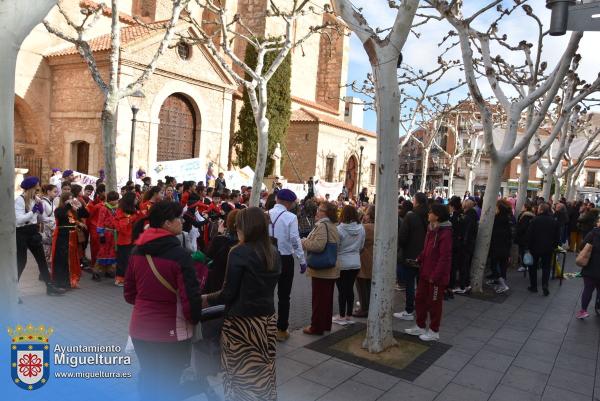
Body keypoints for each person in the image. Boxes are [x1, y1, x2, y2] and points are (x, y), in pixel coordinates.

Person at [124, 200, 203, 401]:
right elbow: (190, 300)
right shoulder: (180, 256)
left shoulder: (137, 251)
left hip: (140, 329)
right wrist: (194, 319)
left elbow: (129, 294)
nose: (182, 222)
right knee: (169, 382)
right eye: (178, 218)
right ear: (167, 223)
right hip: (170, 332)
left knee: (149, 377)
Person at [203, 207, 281, 401]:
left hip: (241, 324)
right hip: (267, 321)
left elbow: (228, 293)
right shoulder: (273, 251)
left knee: (240, 375)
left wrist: (205, 298)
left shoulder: (239, 252)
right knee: (263, 370)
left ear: (245, 227)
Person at [405, 204, 452, 342]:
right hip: (425, 272)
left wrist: (435, 276)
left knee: (434, 304)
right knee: (419, 299)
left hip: (436, 277)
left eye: (430, 212)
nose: (428, 214)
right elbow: (426, 249)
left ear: (437, 215)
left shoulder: (445, 233)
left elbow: (445, 257)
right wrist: (419, 259)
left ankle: (433, 330)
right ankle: (420, 325)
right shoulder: (430, 229)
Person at [267, 189, 307, 341]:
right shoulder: (290, 217)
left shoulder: (265, 214)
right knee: (284, 296)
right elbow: (295, 240)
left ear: (277, 199)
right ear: (289, 203)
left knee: (267, 294)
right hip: (284, 258)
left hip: (267, 257)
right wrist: (302, 261)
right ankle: (281, 329)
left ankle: (266, 327)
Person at [15, 177, 65, 296]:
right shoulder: (20, 200)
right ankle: (13, 290)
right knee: (22, 262)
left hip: (33, 232)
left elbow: (40, 218)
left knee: (42, 261)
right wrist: (33, 212)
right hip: (21, 232)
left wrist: (53, 221)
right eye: (36, 187)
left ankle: (49, 287)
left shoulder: (36, 199)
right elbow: (19, 220)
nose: (38, 189)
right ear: (30, 188)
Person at [302, 202, 340, 335]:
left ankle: (316, 327)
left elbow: (318, 246)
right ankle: (325, 325)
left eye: (320, 209)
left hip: (322, 270)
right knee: (326, 299)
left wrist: (304, 241)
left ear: (326, 213)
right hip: (330, 268)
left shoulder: (322, 226)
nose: (317, 211)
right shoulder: (332, 225)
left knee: (318, 300)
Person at [394, 192, 428, 321]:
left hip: (411, 256)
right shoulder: (429, 216)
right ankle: (421, 310)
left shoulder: (411, 216)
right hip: (425, 256)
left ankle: (409, 310)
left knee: (409, 283)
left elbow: (402, 238)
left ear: (416, 201)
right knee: (421, 285)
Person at [333, 205, 365, 325]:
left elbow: (336, 247)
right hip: (355, 262)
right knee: (350, 289)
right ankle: (349, 315)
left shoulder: (339, 229)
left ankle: (341, 316)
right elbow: (361, 246)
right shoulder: (361, 228)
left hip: (342, 262)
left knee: (341, 290)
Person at [51, 192, 89, 289]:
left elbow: (86, 214)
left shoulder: (73, 210)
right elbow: (61, 215)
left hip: (72, 236)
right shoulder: (59, 209)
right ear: (64, 199)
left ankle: (73, 279)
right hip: (62, 236)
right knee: (62, 259)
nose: (71, 200)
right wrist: (68, 205)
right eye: (69, 198)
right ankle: (62, 282)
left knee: (72, 259)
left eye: (72, 198)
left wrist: (81, 206)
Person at [526, 202, 560, 296]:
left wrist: (528, 247)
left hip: (535, 248)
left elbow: (529, 235)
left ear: (540, 210)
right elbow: (557, 236)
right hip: (548, 248)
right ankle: (545, 285)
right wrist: (555, 246)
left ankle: (534, 286)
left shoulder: (534, 220)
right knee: (546, 267)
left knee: (532, 267)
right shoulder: (554, 221)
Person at [114, 192, 145, 286]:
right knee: (123, 260)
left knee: (130, 260)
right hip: (124, 239)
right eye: (135, 198)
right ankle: (120, 279)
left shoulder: (134, 210)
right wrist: (134, 217)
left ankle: (129, 279)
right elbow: (122, 227)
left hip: (132, 238)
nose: (137, 200)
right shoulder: (121, 211)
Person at [205, 209, 239, 293]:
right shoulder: (245, 242)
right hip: (237, 284)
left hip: (218, 280)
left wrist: (219, 234)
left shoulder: (220, 240)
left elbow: (209, 255)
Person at [487, 199, 513, 293]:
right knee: (503, 265)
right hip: (505, 245)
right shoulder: (508, 217)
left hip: (497, 244)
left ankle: (503, 284)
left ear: (499, 208)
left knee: (494, 265)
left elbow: (493, 232)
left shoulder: (496, 218)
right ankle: (500, 282)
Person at [577, 217, 600, 319]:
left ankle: (583, 311)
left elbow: (582, 246)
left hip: (591, 266)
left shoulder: (594, 233)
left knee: (588, 289)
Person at [94, 191, 120, 281]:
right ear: (110, 200)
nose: (117, 201)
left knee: (111, 252)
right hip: (106, 232)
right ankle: (96, 271)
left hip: (113, 234)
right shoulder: (104, 208)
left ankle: (108, 270)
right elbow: (100, 221)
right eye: (115, 199)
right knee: (103, 252)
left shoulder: (116, 208)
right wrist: (101, 234)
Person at [355, 205, 374, 317]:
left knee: (361, 284)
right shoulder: (378, 226)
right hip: (372, 257)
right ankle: (367, 306)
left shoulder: (365, 227)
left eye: (366, 213)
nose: (365, 215)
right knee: (368, 285)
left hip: (364, 258)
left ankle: (364, 308)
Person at [447, 196, 464, 299]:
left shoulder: (452, 217)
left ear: (452, 206)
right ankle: (451, 286)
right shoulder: (462, 215)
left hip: (453, 244)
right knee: (453, 266)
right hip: (459, 244)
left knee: (450, 266)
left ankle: (448, 286)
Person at [40, 184, 59, 263]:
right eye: (54, 192)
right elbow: (42, 218)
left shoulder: (52, 202)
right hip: (46, 228)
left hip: (53, 226)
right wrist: (54, 220)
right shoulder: (42, 202)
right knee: (46, 249)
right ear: (48, 192)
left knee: (52, 248)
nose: (56, 194)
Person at [515, 202, 535, 272]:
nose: (522, 207)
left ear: (526, 208)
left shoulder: (525, 216)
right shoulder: (532, 215)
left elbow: (523, 227)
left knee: (523, 251)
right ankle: (527, 265)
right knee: (526, 251)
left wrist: (518, 230)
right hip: (529, 237)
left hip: (523, 237)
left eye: (523, 206)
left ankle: (525, 265)